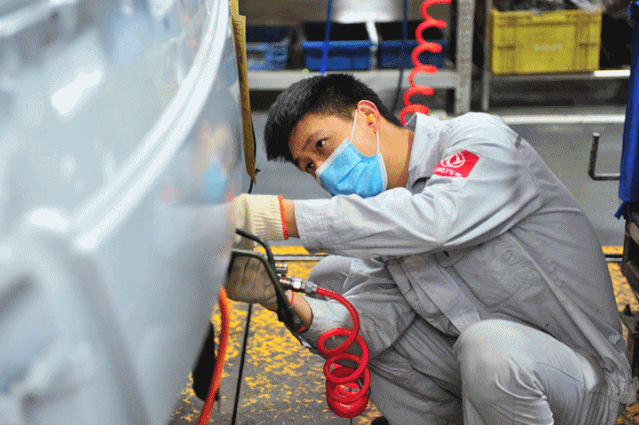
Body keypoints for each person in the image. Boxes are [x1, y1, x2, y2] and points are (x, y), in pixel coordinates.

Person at [226, 73, 637, 424]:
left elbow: (436, 219)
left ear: (367, 115)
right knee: (332, 279)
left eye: (321, 146)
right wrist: (280, 298)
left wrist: (281, 218)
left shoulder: (478, 139)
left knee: (489, 347)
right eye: (309, 167)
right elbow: (362, 328)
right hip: (490, 374)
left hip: (582, 382)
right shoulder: (387, 224)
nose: (322, 171)